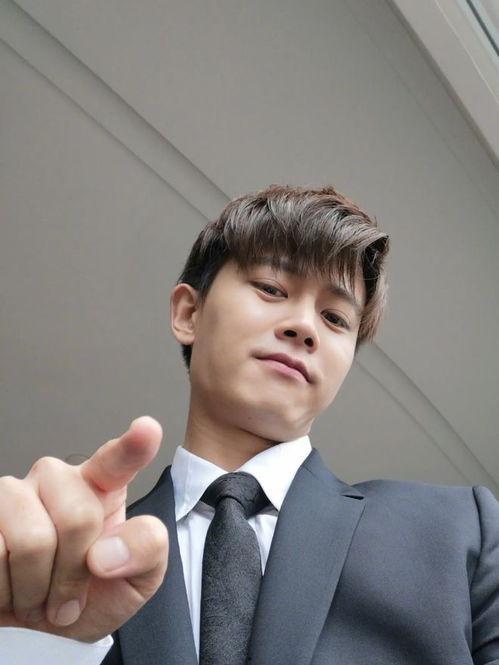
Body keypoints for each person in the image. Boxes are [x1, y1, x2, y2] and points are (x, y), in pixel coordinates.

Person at [0, 184, 497, 664]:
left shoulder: (458, 534)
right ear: (188, 313)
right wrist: (39, 642)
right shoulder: (78, 562)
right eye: (271, 288)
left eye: (335, 318)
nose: (305, 326)